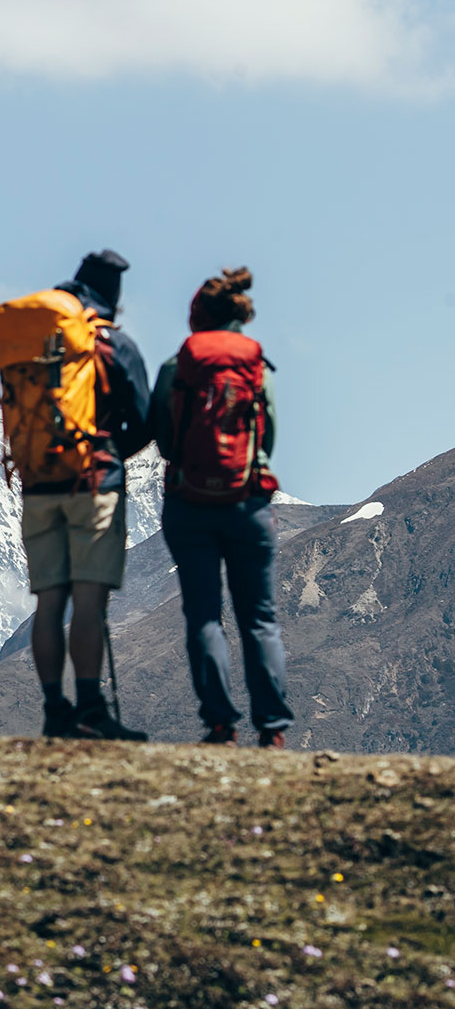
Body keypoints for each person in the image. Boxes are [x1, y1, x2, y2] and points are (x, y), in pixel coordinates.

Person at [0, 250, 153, 741]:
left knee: (48, 601)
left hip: (38, 482)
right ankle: (90, 706)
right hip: (93, 483)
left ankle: (53, 709)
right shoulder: (110, 344)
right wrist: (108, 449)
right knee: (89, 602)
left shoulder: (35, 342)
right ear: (113, 298)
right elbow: (144, 419)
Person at [147, 268, 292, 748]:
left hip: (190, 505)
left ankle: (220, 725)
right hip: (247, 504)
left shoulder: (177, 366)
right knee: (260, 618)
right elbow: (267, 434)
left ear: (198, 316)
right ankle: (271, 730)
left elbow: (163, 439)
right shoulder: (256, 366)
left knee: (204, 615)